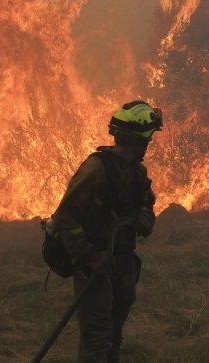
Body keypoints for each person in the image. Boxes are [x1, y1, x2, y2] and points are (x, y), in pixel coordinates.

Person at [51, 100, 161, 363]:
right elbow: (64, 217)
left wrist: (145, 217)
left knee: (114, 333)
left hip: (122, 262)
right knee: (98, 338)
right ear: (138, 139)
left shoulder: (137, 171)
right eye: (148, 138)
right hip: (96, 265)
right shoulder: (95, 170)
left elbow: (146, 202)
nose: (150, 144)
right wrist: (89, 256)